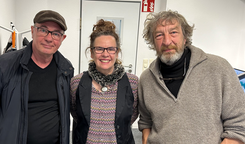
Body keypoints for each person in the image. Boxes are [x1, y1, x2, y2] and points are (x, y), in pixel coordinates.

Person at [138, 10, 245, 144]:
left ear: (185, 37)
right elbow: (146, 121)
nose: (166, 41)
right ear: (153, 42)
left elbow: (239, 125)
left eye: (173, 32)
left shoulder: (219, 68)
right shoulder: (146, 79)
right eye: (159, 35)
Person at [0, 10, 74, 144]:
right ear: (32, 31)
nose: (49, 38)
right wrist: (6, 135)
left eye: (56, 33)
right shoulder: (2, 66)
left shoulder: (65, 68)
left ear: (62, 39)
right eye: (43, 30)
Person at [70, 19, 138, 144]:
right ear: (91, 52)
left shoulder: (133, 83)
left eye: (111, 49)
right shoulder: (77, 83)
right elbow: (77, 115)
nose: (105, 54)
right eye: (99, 49)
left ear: (117, 52)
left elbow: (131, 116)